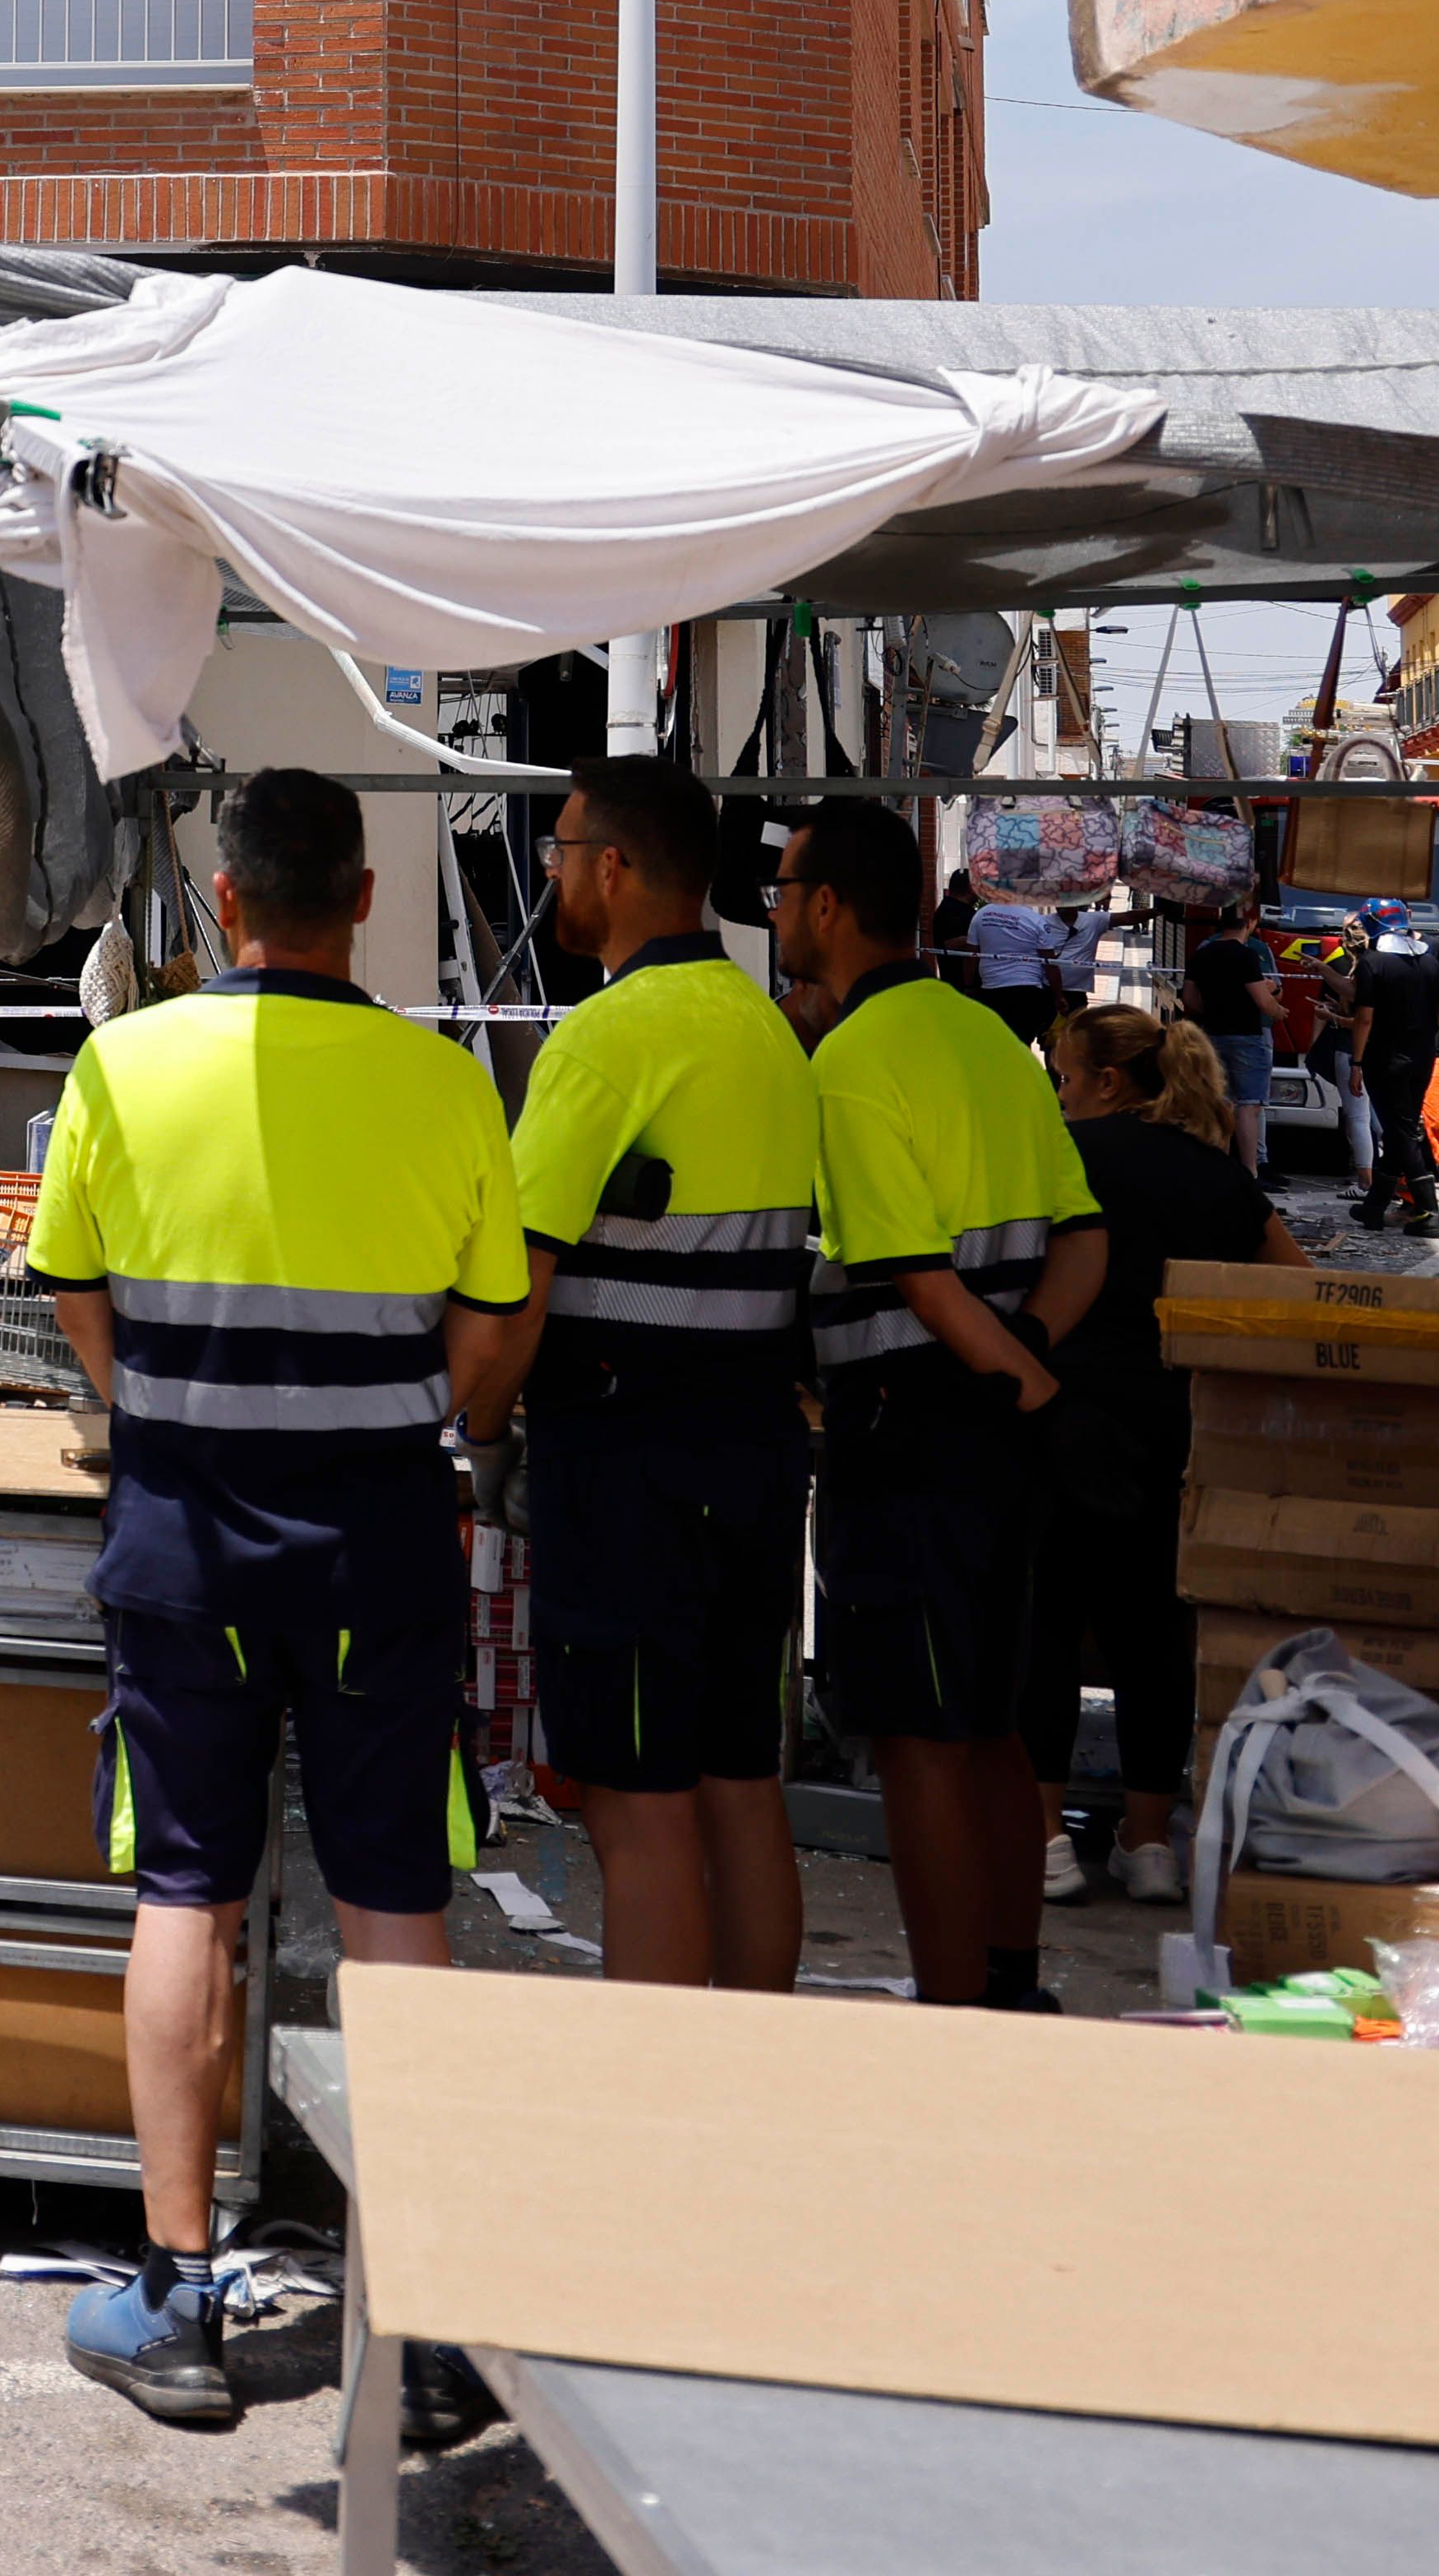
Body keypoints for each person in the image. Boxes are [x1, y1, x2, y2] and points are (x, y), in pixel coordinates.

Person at [28, 767, 534, 2431]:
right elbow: (486, 1337)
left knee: (188, 1884)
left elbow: (73, 1295)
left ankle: (174, 2295)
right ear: (366, 896)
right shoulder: (445, 1079)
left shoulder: (125, 1060)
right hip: (381, 1528)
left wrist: (171, 1405)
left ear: (227, 900)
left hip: (184, 1523)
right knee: (395, 1896)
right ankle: (425, 2314)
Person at [492, 749, 821, 1994]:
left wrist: (479, 1425)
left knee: (638, 1808)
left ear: (614, 867)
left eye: (562, 853)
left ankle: (657, 2116)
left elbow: (519, 1280)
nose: (554, 877)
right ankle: (752, 2082)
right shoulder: (768, 1031)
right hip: (752, 1446)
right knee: (740, 1785)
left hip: (628, 1460)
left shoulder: (608, 1039)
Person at [783, 798, 1108, 2010]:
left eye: (784, 892)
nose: (774, 915)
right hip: (1006, 1438)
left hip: (912, 1425)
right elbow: (1085, 1238)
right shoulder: (992, 1044)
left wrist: (1002, 1367)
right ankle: (1013, 1985)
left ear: (828, 906)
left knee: (920, 1743)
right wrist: (1028, 1355)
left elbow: (912, 1273)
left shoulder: (854, 1064)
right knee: (990, 1728)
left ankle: (951, 2014)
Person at [1026, 1003, 1298, 1905]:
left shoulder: (1063, 1159)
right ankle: (1147, 1843)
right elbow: (1295, 1285)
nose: (1057, 1092)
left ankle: (1044, 1842)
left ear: (1105, 1082)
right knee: (1152, 1635)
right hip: (1175, 1425)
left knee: (1047, 1630)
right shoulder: (1212, 1173)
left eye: (1063, 1076)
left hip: (1060, 1416)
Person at [1349, 901, 1439, 1233]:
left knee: (1400, 1133)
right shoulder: (1427, 959)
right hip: (1423, 1057)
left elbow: (1364, 1018)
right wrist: (1421, 1031)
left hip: (1385, 1059)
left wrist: (1356, 1062)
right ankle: (1375, 1207)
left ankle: (1428, 1212)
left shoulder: (1372, 961)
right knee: (1403, 1129)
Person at [1182, 890, 1280, 1168]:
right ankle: (1249, 1172)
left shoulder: (1202, 954)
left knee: (1221, 1103)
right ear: (1249, 924)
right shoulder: (1247, 956)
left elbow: (1188, 998)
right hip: (1247, 1037)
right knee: (1248, 1106)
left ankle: (1217, 1168)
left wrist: (1213, 1010)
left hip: (1212, 1035)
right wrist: (1278, 1011)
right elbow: (1263, 1000)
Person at [964, 866, 1076, 1052]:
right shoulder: (1036, 920)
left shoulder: (981, 915)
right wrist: (1058, 996)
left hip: (992, 991)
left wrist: (968, 987)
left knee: (996, 1044)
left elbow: (971, 956)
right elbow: (1049, 964)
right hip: (1027, 993)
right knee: (1022, 1045)